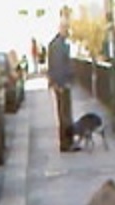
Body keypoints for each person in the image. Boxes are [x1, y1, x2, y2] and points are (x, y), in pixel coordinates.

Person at [48, 21, 78, 152]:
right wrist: (60, 83)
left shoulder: (57, 44)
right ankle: (66, 143)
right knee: (65, 115)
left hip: (62, 83)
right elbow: (58, 65)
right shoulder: (58, 45)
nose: (68, 31)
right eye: (67, 29)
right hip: (62, 84)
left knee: (65, 114)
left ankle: (68, 142)